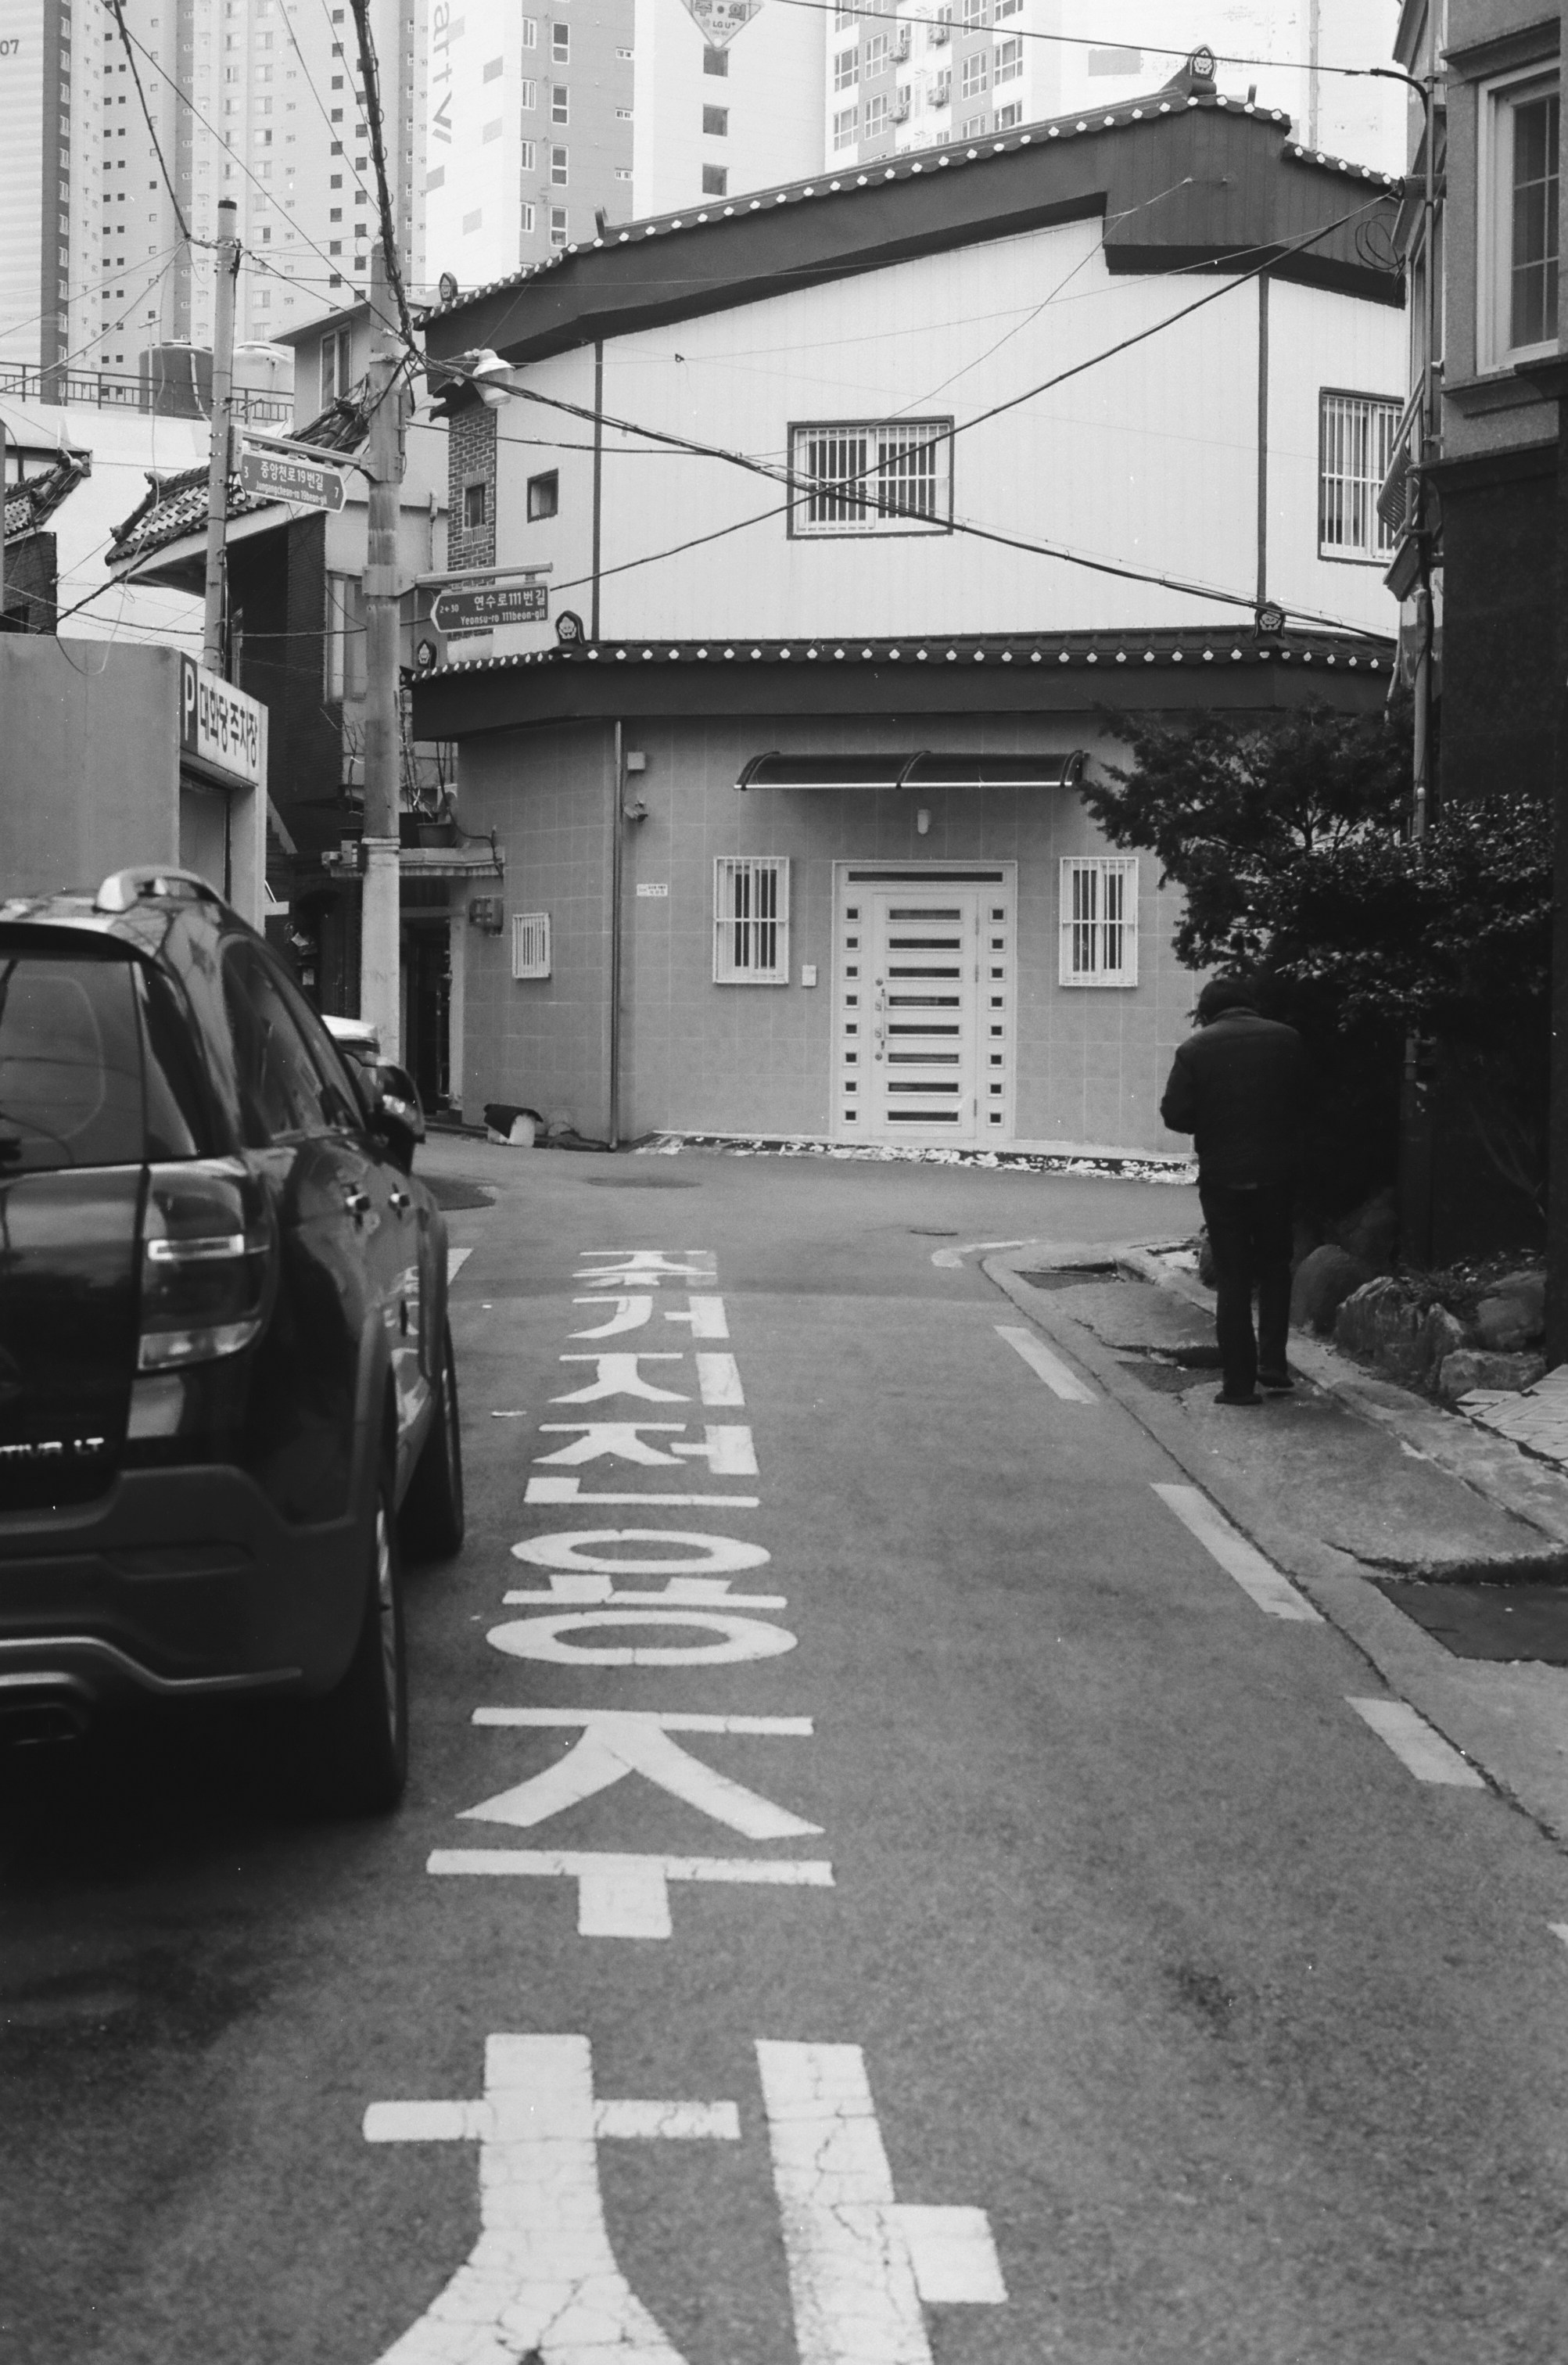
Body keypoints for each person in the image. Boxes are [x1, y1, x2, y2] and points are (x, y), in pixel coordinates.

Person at [1158, 978, 1306, 1406]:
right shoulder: (1288, 1040)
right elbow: (1306, 1099)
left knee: (1234, 1277)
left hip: (1224, 1179)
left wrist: (1213, 1124)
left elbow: (1175, 1114)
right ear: (1250, 1004)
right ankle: (1274, 1363)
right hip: (1278, 1176)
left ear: (1207, 1013)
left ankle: (1239, 1386)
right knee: (1277, 1266)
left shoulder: (1195, 1050)